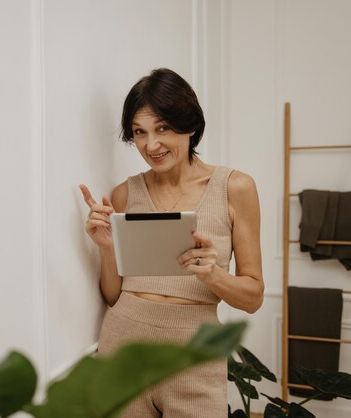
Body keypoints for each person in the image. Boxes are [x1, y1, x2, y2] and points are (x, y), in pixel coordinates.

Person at [79, 68, 264, 417]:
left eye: (163, 128)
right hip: (123, 345)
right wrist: (106, 247)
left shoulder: (235, 188)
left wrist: (213, 276)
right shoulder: (124, 193)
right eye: (139, 132)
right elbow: (114, 294)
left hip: (194, 353)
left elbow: (253, 297)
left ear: (190, 124)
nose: (151, 145)